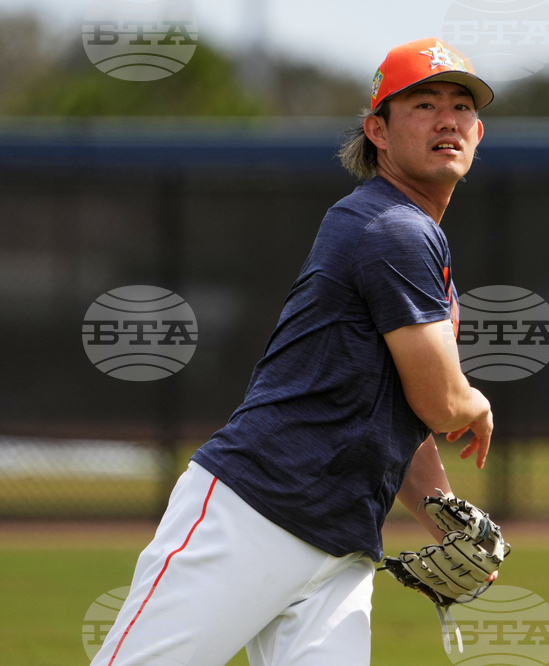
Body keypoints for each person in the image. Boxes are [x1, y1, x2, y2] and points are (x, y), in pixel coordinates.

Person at [92, 37, 495, 666]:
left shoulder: (409, 232)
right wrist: (475, 403)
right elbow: (441, 402)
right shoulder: (394, 228)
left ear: (477, 132)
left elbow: (404, 411)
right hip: (254, 512)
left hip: (341, 538)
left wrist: (441, 513)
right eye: (423, 104)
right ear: (378, 132)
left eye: (462, 107)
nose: (448, 119)